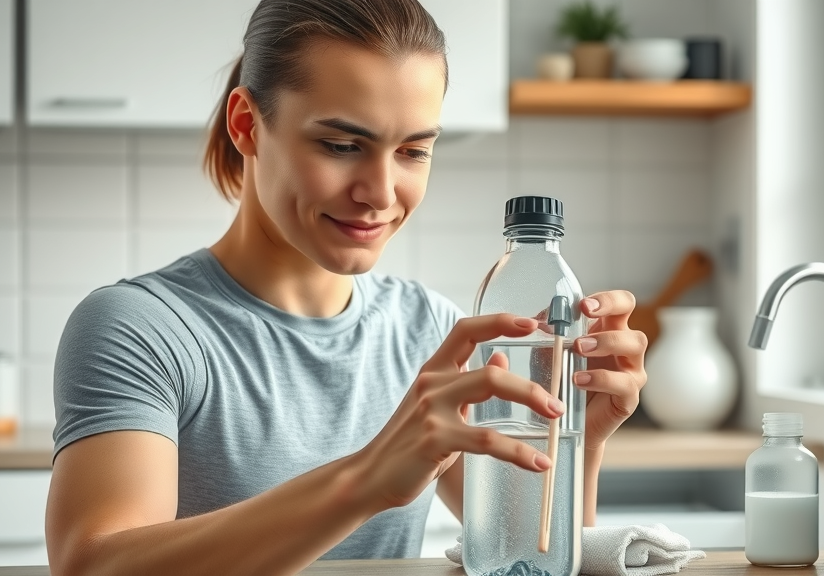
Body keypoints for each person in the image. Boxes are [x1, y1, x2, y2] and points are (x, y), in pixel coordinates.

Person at [44, 1, 648, 575]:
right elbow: (95, 564)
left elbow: (529, 555)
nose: (381, 193)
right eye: (340, 146)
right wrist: (367, 479)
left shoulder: (432, 332)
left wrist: (577, 443)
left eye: (413, 151)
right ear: (246, 124)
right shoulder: (140, 326)